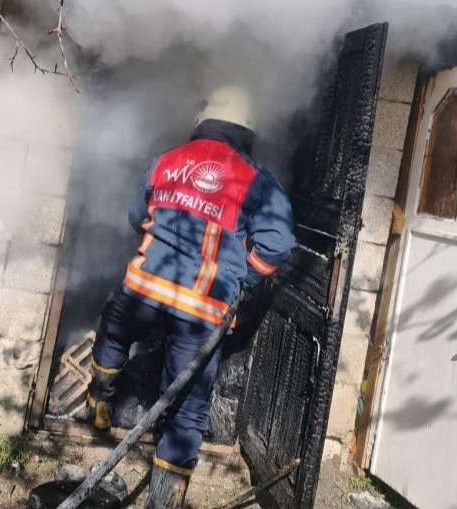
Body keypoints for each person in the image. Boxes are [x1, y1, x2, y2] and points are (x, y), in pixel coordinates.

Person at [83, 85, 296, 508]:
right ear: (247, 131)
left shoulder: (168, 159)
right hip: (201, 310)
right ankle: (163, 502)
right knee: (187, 409)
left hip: (143, 289)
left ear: (204, 122)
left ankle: (99, 402)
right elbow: (278, 243)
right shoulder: (257, 180)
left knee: (112, 328)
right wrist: (244, 278)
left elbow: (134, 216)